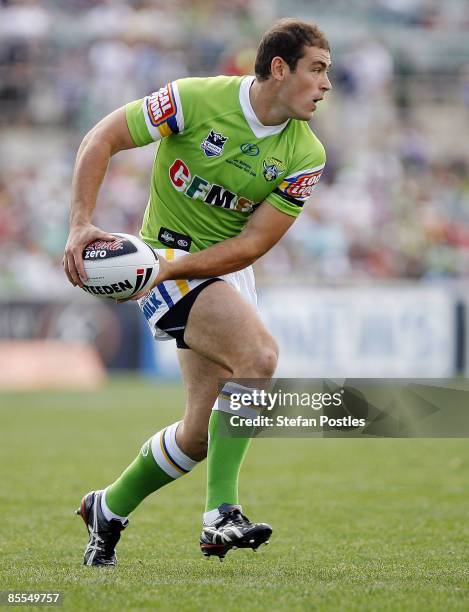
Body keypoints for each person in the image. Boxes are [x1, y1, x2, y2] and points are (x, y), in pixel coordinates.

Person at [63, 17, 332, 566]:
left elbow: (254, 243)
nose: (326, 84)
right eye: (318, 69)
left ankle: (106, 508)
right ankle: (221, 515)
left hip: (216, 269)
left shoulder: (306, 155)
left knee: (199, 435)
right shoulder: (193, 99)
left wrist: (176, 269)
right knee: (258, 357)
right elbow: (103, 138)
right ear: (279, 68)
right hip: (162, 256)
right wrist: (81, 223)